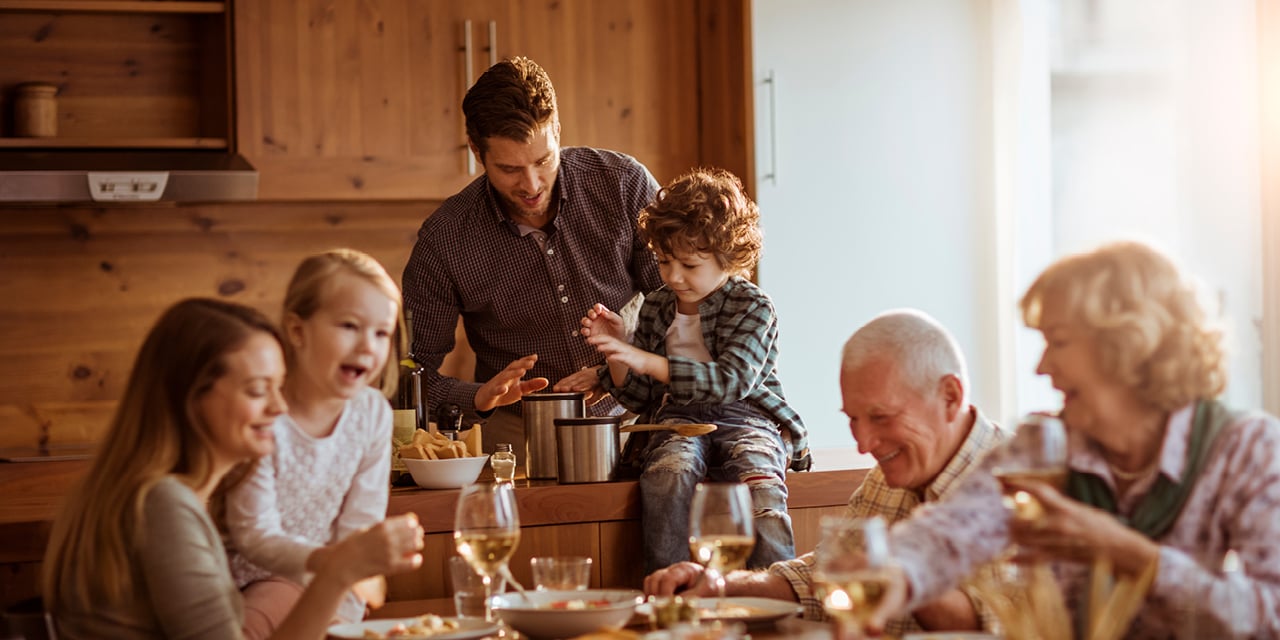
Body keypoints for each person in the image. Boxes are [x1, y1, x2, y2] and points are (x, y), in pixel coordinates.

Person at [861, 241, 1280, 638]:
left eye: (1058, 342)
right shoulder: (1043, 445)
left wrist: (1132, 556)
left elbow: (1271, 615)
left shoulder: (1248, 450)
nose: (1042, 368)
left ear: (1130, 345)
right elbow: (948, 533)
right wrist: (891, 574)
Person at [42, 298, 424, 640]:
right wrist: (338, 572)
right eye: (258, 390)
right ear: (192, 397)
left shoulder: (177, 497)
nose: (279, 407)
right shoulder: (164, 504)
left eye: (280, 386)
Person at [644, 309, 1007, 635]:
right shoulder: (888, 477)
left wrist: (905, 577)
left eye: (880, 417)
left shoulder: (1023, 489)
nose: (863, 444)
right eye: (852, 419)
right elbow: (820, 579)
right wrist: (722, 585)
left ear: (950, 397)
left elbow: (1009, 625)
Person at [401, 56, 663, 453]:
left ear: (557, 130)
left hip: (637, 415)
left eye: (543, 161)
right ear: (476, 150)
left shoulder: (623, 184)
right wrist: (478, 397)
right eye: (510, 169)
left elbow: (689, 307)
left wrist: (620, 369)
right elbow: (411, 375)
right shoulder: (446, 240)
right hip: (516, 433)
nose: (532, 184)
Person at [579, 167, 809, 574]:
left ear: (729, 257)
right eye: (664, 261)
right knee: (667, 475)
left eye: (688, 264)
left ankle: (776, 591)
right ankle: (671, 591)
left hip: (746, 417)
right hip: (679, 417)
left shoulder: (754, 306)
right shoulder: (657, 306)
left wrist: (645, 360)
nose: (672, 276)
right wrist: (616, 353)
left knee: (761, 495)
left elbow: (730, 382)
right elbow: (642, 397)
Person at [224, 249, 403, 636]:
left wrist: (343, 574)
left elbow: (362, 520)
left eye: (381, 333)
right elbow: (253, 534)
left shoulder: (372, 413)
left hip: (334, 578)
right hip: (256, 580)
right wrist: (330, 565)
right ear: (298, 331)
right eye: (350, 326)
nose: (367, 347)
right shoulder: (266, 411)